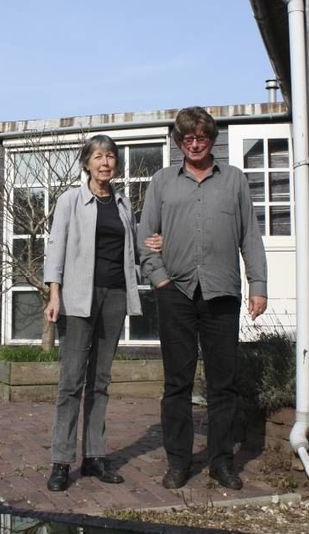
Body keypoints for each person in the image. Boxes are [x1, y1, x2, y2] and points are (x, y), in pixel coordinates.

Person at [138, 107, 268, 491]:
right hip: (175, 293)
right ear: (179, 142)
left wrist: (258, 284)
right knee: (176, 383)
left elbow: (250, 237)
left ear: (212, 139)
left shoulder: (235, 181)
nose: (195, 145)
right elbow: (146, 236)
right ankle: (178, 462)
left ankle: (221, 462)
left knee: (223, 384)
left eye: (202, 138)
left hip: (221, 293)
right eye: (188, 139)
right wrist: (159, 279)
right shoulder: (162, 182)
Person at [42, 134, 144, 492]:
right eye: (98, 156)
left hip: (114, 296)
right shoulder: (71, 199)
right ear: (86, 162)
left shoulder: (122, 203)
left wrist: (155, 243)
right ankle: (60, 460)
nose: (105, 162)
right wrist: (54, 294)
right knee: (71, 382)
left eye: (111, 157)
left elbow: (134, 243)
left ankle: (94, 457)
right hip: (78, 298)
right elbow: (55, 249)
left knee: (101, 381)